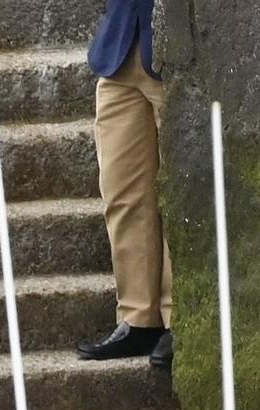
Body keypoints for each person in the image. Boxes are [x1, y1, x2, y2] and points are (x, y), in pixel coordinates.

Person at [78, 0, 173, 369]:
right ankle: (138, 318)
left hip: (175, 52)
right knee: (122, 193)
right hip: (119, 48)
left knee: (178, 197)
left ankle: (177, 318)